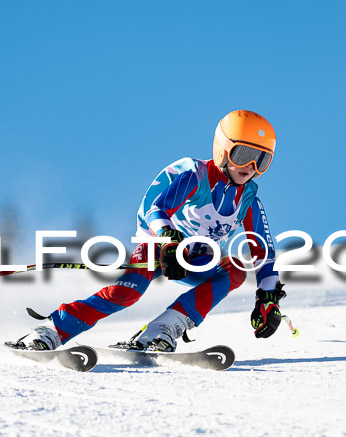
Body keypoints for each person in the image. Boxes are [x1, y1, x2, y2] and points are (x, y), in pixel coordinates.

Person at [17, 109, 286, 352]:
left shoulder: (249, 199)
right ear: (223, 149)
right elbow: (155, 208)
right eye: (244, 155)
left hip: (198, 260)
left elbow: (263, 251)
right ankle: (53, 330)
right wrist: (169, 241)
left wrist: (267, 296)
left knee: (236, 268)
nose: (250, 167)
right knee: (127, 293)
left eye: (261, 160)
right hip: (159, 248)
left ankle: (163, 329)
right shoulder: (196, 174)